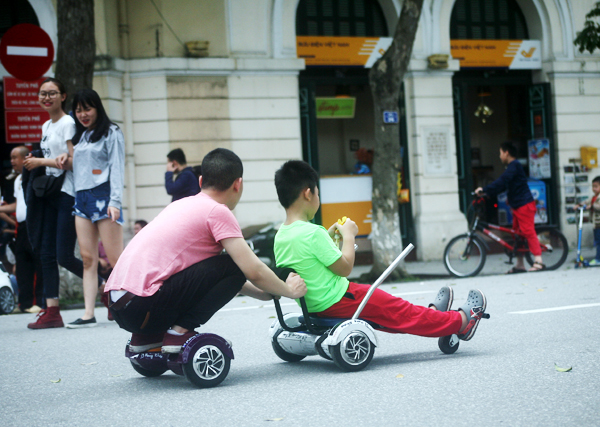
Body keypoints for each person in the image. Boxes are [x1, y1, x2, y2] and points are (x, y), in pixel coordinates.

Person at [105, 148, 306, 354]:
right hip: (143, 305)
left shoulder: (180, 205)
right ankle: (178, 334)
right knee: (235, 264)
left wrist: (263, 293)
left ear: (200, 181)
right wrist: (289, 290)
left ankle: (147, 337)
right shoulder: (217, 212)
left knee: (231, 266)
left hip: (121, 306)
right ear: (238, 184)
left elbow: (212, 280)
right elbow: (251, 270)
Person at [273, 160, 487, 343]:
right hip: (341, 298)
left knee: (390, 315)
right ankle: (461, 322)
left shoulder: (281, 236)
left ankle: (436, 317)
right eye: (318, 193)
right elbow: (345, 268)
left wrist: (331, 240)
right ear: (308, 194)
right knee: (399, 311)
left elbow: (312, 266)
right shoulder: (313, 233)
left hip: (316, 307)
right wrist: (349, 235)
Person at [23, 78, 89, 329]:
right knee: (46, 253)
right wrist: (38, 159)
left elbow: (74, 162)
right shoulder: (46, 126)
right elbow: (53, 156)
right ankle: (52, 311)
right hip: (49, 193)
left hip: (68, 193)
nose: (46, 97)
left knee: (64, 255)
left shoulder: (68, 123)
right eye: (42, 93)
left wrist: (40, 163)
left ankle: (108, 285)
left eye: (52, 93)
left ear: (63, 96)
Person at [58, 88, 125, 328]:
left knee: (117, 260)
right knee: (87, 259)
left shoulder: (111, 132)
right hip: (82, 200)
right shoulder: (82, 136)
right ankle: (88, 313)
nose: (83, 114)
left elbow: (117, 168)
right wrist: (66, 161)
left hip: (105, 197)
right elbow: (81, 169)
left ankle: (129, 306)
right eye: (78, 110)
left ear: (97, 108)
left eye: (87, 108)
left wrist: (115, 202)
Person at [475, 141, 544, 273]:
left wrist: (484, 189)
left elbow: (502, 181)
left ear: (506, 153)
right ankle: (520, 264)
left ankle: (538, 260)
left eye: (500, 153)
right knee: (517, 235)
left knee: (528, 231)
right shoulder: (512, 167)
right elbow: (504, 186)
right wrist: (486, 193)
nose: (500, 156)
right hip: (517, 205)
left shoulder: (514, 165)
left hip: (524, 204)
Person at [0, 147, 44, 313]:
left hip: (33, 225)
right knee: (22, 266)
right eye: (10, 158)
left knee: (37, 264)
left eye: (15, 157)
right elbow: (17, 206)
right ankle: (24, 304)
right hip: (21, 228)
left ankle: (39, 301)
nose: (12, 161)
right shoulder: (18, 180)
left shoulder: (34, 175)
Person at [575, 176, 600, 266]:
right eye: (593, 186)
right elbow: (587, 201)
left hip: (599, 223)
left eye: (596, 186)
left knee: (599, 242)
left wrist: (592, 206)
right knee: (597, 241)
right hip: (596, 224)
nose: (594, 189)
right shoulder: (593, 197)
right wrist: (579, 205)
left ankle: (598, 259)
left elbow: (597, 206)